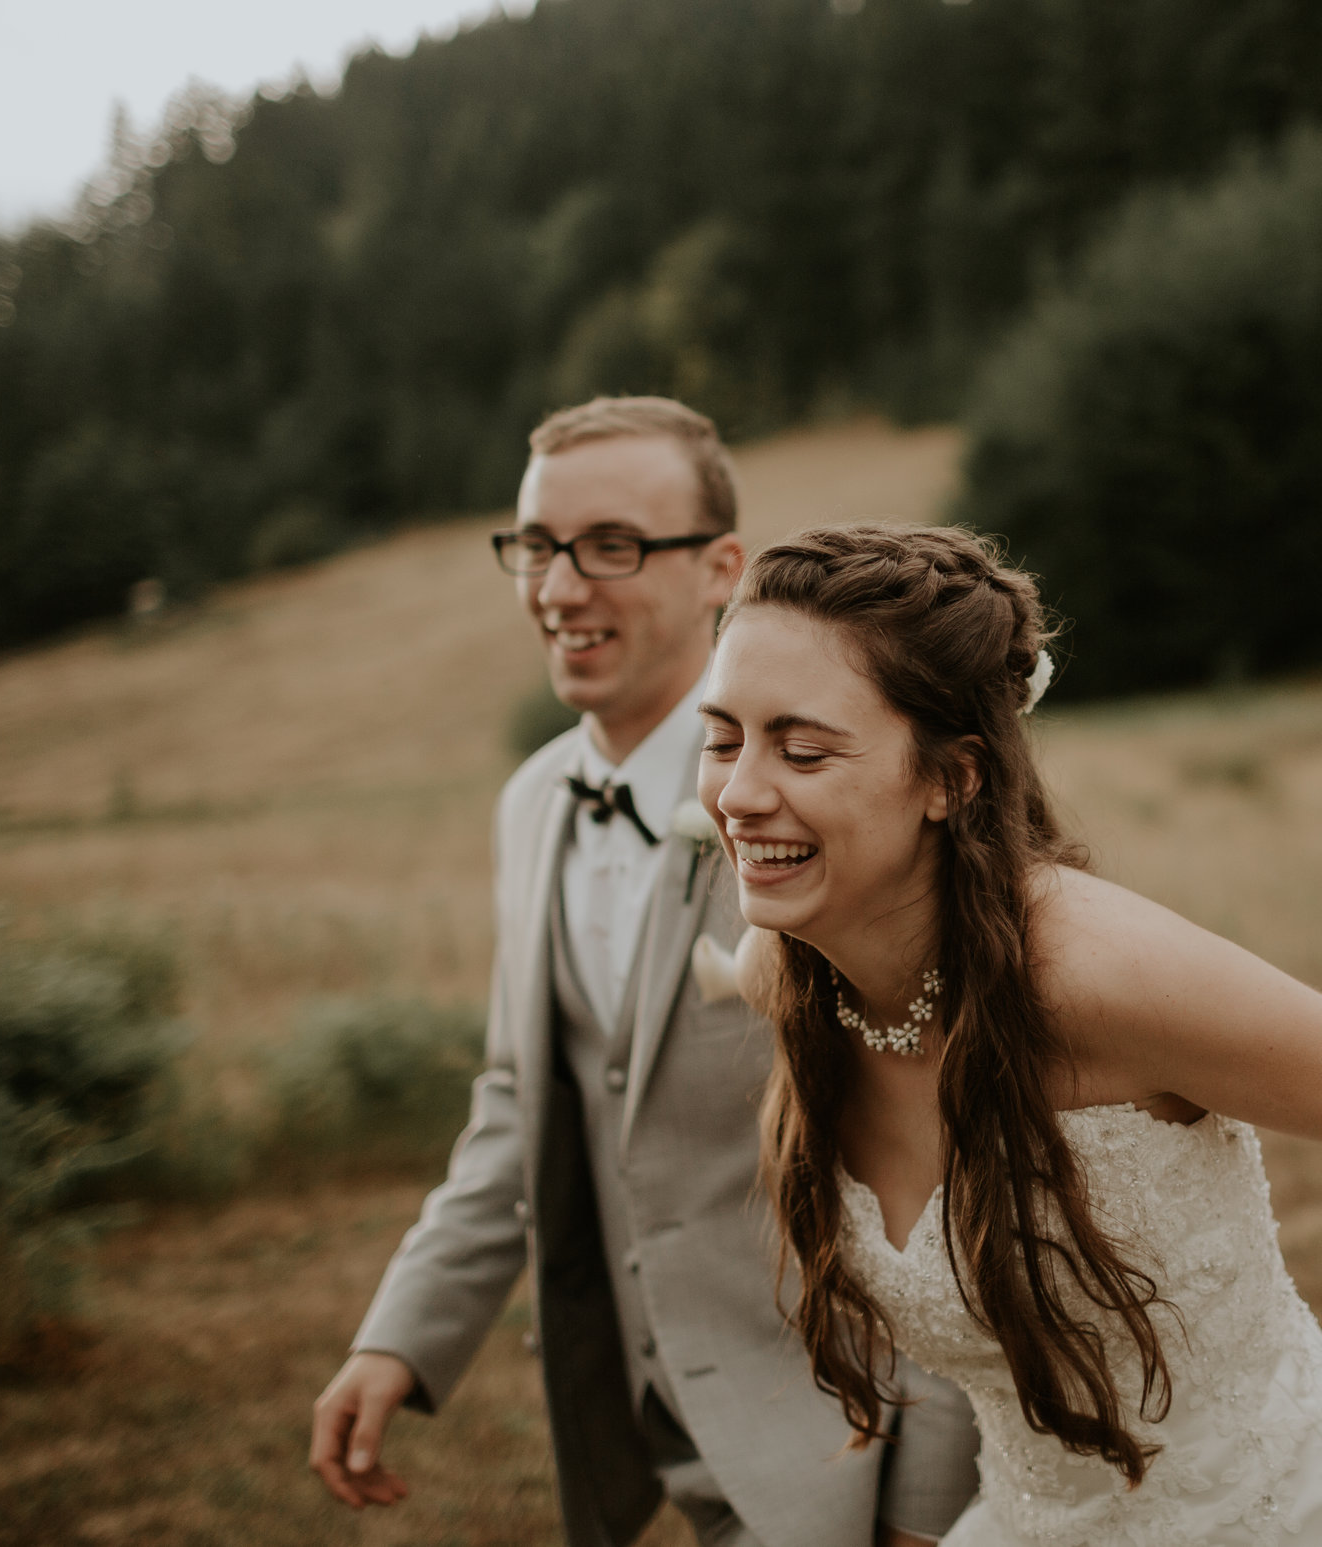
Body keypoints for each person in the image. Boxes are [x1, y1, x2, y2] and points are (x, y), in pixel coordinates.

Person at [695, 524, 1322, 1547]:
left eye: (803, 747)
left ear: (950, 779)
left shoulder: (1095, 976)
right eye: (723, 737)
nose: (736, 793)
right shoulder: (789, 973)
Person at [309, 401, 980, 1547]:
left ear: (722, 566)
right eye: (535, 544)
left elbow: (949, 1154)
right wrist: (399, 1333)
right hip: (649, 1424)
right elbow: (524, 1098)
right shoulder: (530, 806)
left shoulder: (824, 802)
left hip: (847, 1433)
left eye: (611, 544)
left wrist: (929, 1504)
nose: (560, 587)